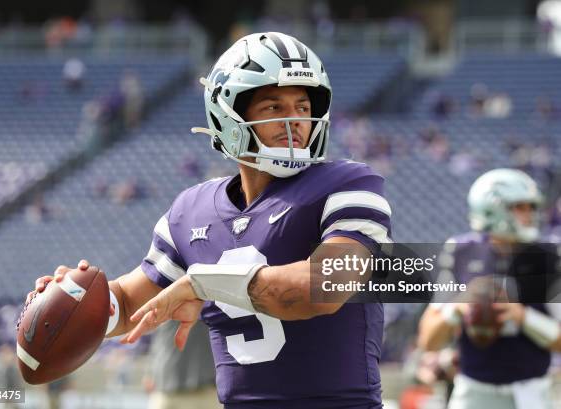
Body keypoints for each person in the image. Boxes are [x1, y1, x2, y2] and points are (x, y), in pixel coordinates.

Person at [29, 32, 392, 408]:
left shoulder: (347, 183)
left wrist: (205, 283)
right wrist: (75, 299)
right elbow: (127, 302)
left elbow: (329, 283)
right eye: (274, 107)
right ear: (229, 115)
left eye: (303, 107)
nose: (296, 121)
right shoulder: (192, 210)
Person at [418, 168, 561, 409]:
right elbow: (429, 340)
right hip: (474, 391)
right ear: (492, 207)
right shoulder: (459, 250)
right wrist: (460, 306)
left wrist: (522, 317)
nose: (530, 214)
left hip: (533, 392)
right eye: (521, 207)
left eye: (531, 207)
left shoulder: (549, 255)